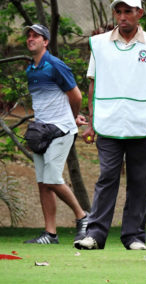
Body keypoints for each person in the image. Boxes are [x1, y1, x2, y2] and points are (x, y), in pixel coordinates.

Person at [74, 0, 146, 250]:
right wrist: (92, 122)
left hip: (143, 123)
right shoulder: (99, 44)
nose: (122, 16)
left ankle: (134, 236)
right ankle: (95, 235)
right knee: (107, 177)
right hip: (109, 123)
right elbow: (92, 85)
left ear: (139, 13)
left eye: (128, 11)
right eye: (118, 11)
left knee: (140, 181)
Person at [23, 24, 88, 244]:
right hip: (41, 131)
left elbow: (76, 96)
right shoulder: (31, 69)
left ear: (46, 41)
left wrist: (72, 117)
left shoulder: (55, 65)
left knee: (51, 178)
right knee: (43, 182)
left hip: (62, 130)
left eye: (36, 36)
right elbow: (49, 101)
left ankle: (83, 217)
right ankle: (50, 233)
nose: (30, 38)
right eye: (28, 36)